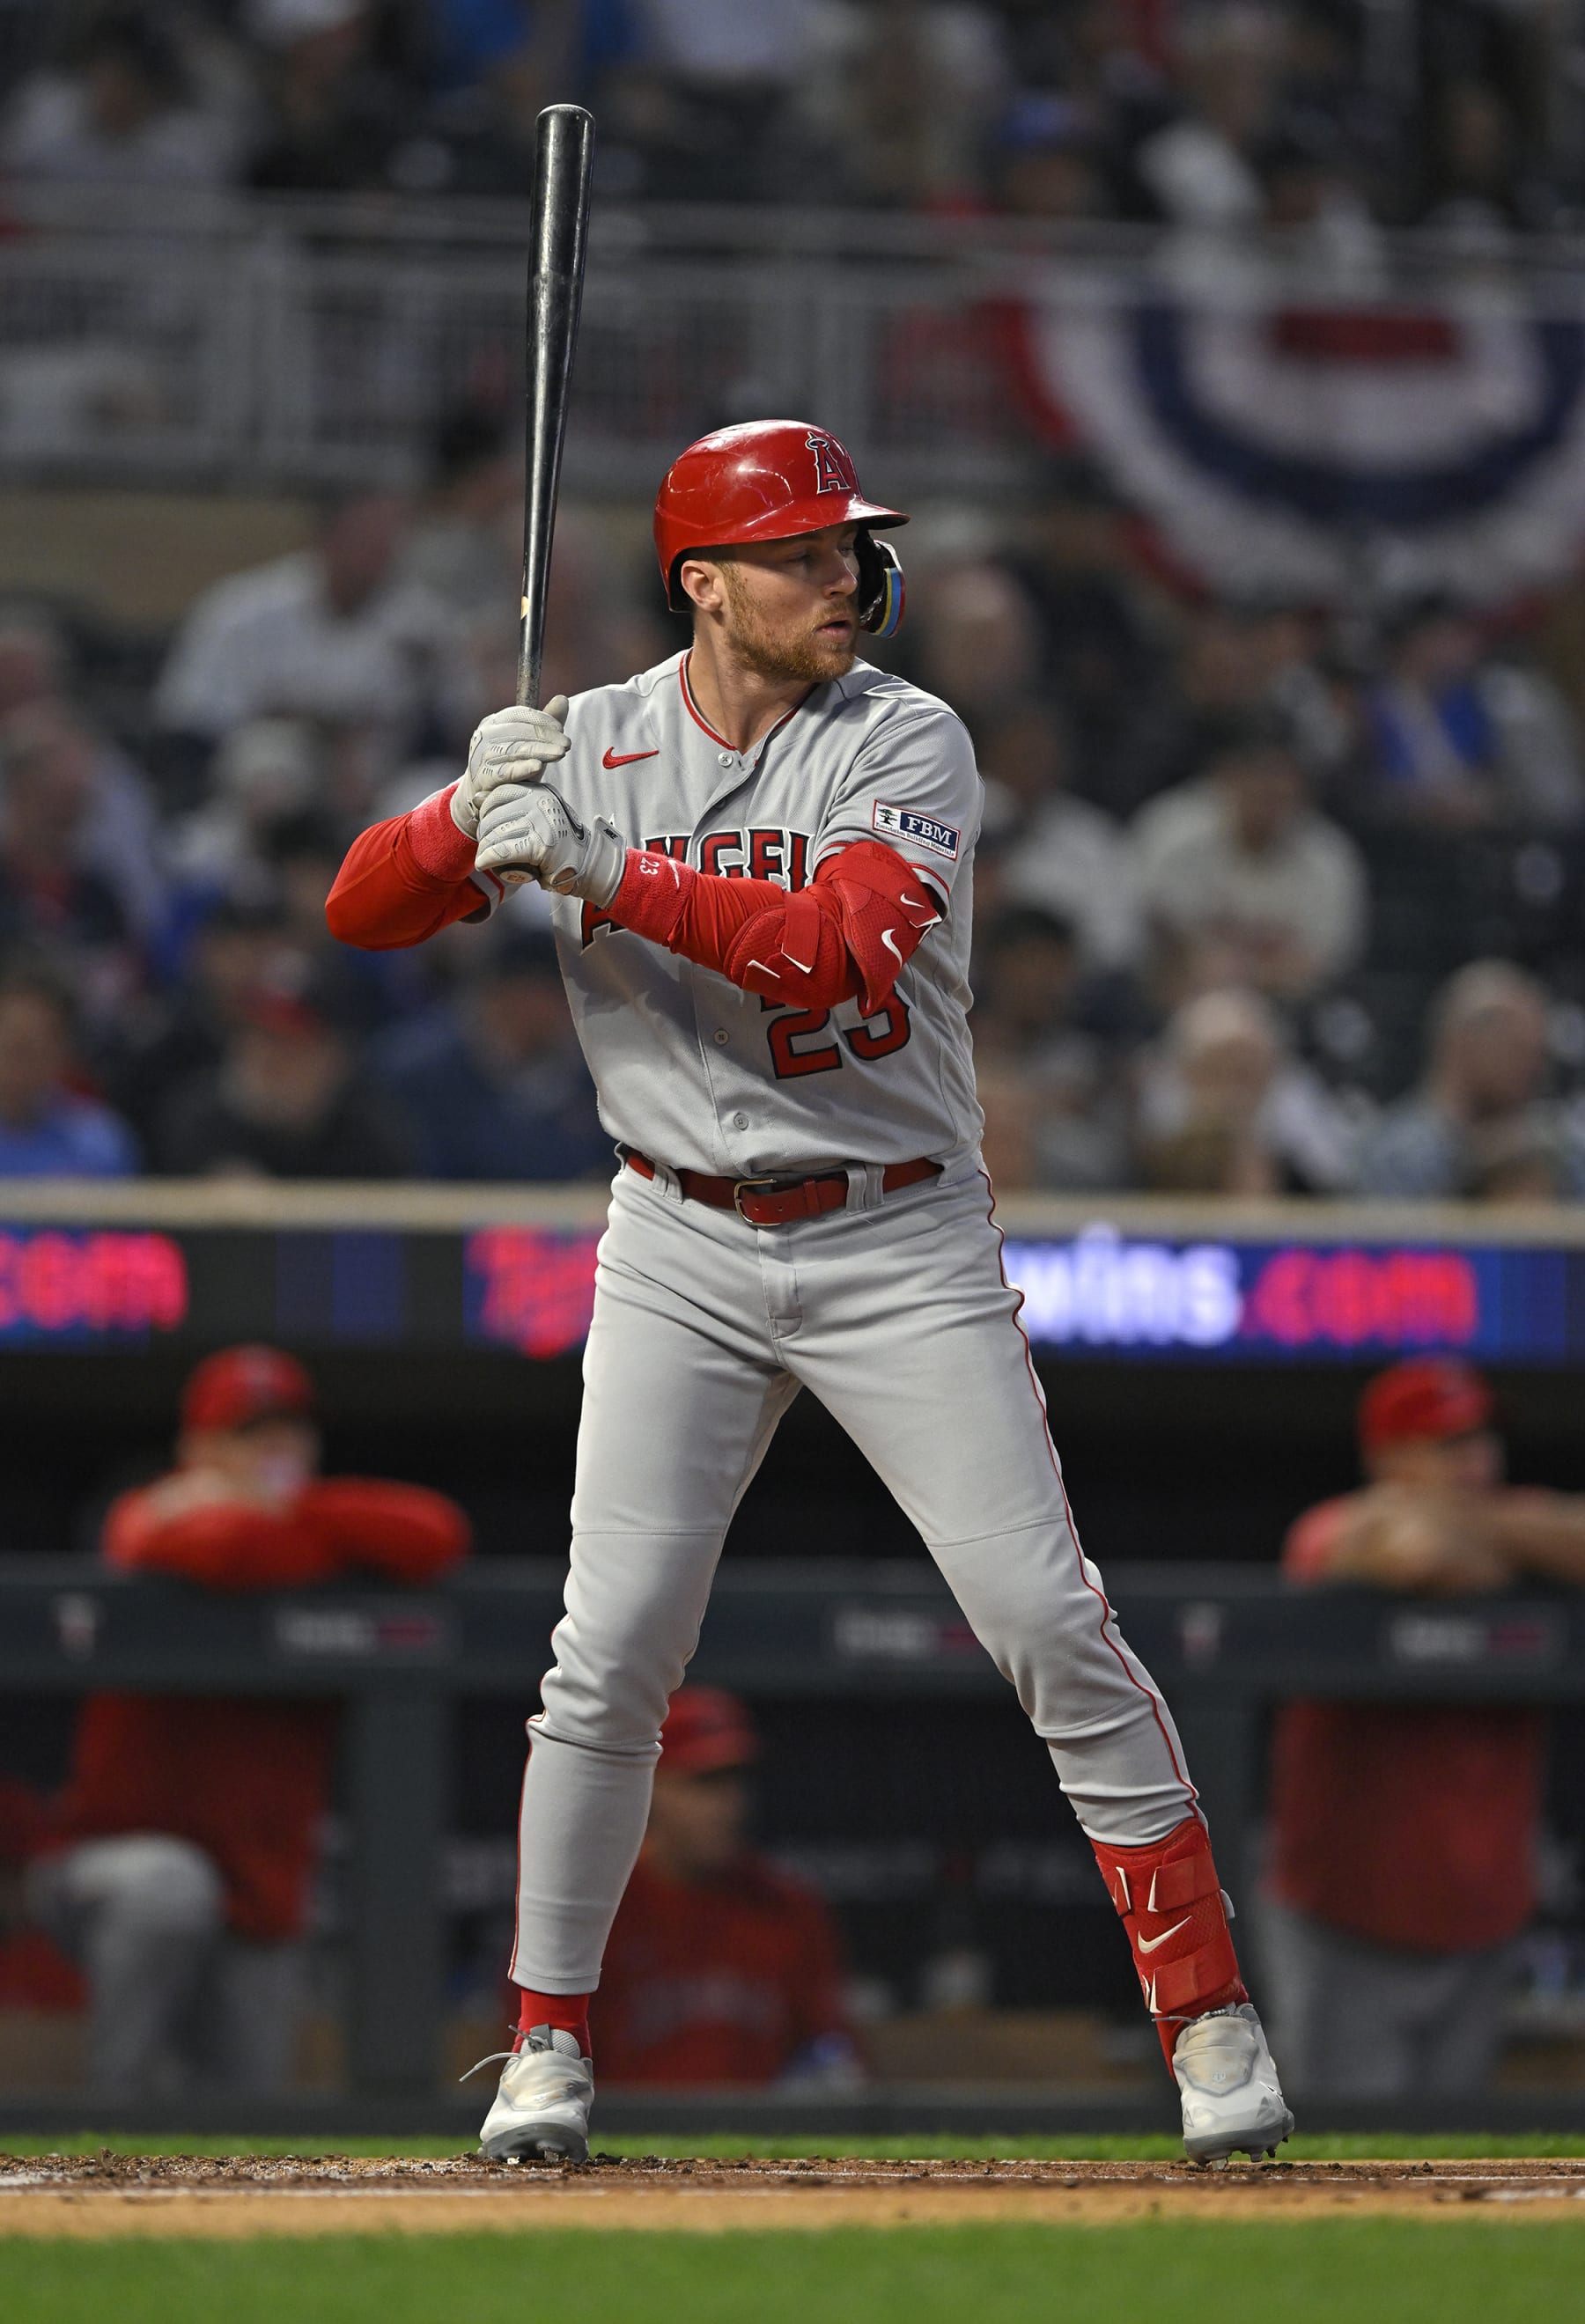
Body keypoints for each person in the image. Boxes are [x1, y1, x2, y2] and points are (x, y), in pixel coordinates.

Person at [327, 417, 1292, 2166]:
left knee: (1045, 1618)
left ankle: (1208, 2017)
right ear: (704, 582)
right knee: (606, 1651)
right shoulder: (592, 743)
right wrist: (462, 815)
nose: (843, 575)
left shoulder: (906, 733)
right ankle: (543, 2047)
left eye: (851, 549)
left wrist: (597, 867)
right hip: (680, 1234)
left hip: (895, 1235)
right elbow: (360, 913)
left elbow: (845, 943)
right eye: (800, 554)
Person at [26, 1345, 468, 2097]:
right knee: (169, 1888)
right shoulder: (151, 1517)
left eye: (289, 1431)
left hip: (258, 1898)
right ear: (196, 1451)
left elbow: (435, 1531)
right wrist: (303, 1529)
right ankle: (107, 2121)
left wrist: (288, 1510)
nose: (275, 1449)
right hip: (104, 1868)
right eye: (247, 1433)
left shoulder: (303, 1529)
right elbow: (196, 1542)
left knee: (247, 2117)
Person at [1262, 1357, 1585, 2099]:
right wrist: (1521, 1548)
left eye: (1480, 1440)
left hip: (1480, 1920)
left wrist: (1481, 1526)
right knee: (1347, 2161)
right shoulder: (1331, 1530)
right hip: (1346, 1921)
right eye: (1445, 1445)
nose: (1474, 1461)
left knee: (1449, 2159)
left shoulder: (1504, 1515)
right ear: (1387, 1459)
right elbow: (1418, 1554)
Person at [592, 1688, 859, 2086]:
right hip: (622, 2143)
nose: (729, 1806)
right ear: (650, 1787)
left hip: (759, 2143)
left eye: (736, 1782)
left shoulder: (786, 1907)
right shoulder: (599, 1912)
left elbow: (831, 2050)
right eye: (705, 1783)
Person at [154, 489, 450, 754]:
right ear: (327, 538)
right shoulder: (243, 610)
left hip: (376, 779)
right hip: (249, 776)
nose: (377, 552)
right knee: (270, 753)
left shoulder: (422, 622)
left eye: (388, 540)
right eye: (363, 538)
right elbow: (189, 717)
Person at [1129, 713, 1368, 1004]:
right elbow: (1158, 943)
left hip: (1288, 1005)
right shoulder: (1174, 832)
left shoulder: (1329, 856)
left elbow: (1320, 965)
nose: (1270, 800)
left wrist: (1242, 973)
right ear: (1228, 778)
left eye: (1282, 788)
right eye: (1259, 782)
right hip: (1178, 998)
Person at [1355, 959, 1585, 1202]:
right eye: (1518, 1051)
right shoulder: (1397, 1156)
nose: (1535, 1069)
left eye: (1538, 1054)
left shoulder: (1558, 1150)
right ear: (1463, 1044)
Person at [0, 966, 137, 1178]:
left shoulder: (100, 1142)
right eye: (12, 1046)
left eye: (34, 1048)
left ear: (62, 1051)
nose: (20, 1064)